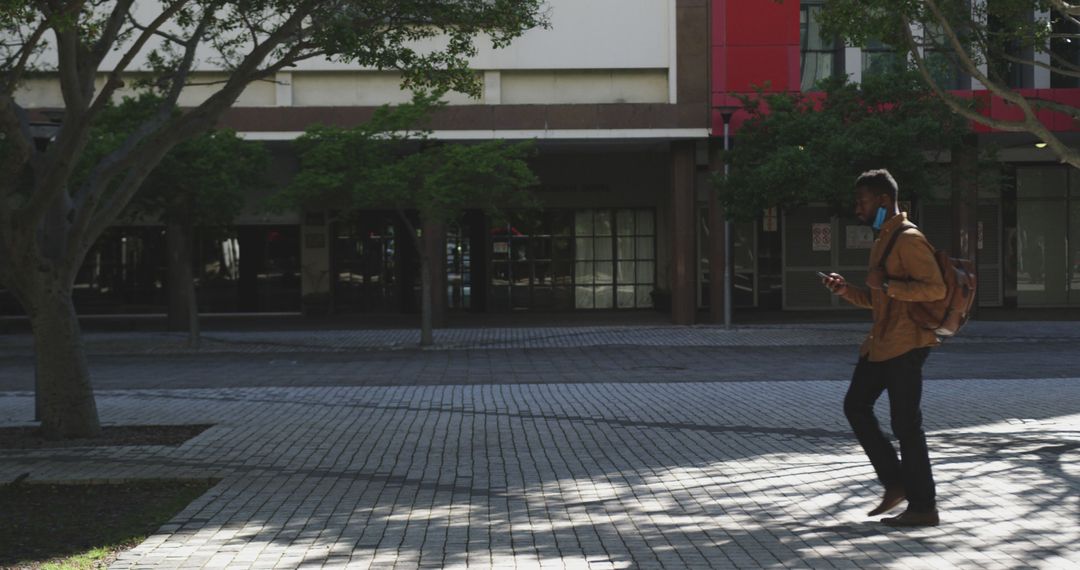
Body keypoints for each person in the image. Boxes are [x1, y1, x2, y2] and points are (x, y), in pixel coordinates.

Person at [821, 169, 947, 527]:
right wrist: (846, 290)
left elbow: (936, 289)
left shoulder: (908, 239)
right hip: (882, 343)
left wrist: (889, 284)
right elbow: (879, 299)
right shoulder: (884, 239)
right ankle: (895, 482)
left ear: (883, 200)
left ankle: (923, 506)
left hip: (907, 344)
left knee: (906, 425)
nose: (857, 209)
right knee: (856, 406)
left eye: (861, 201)